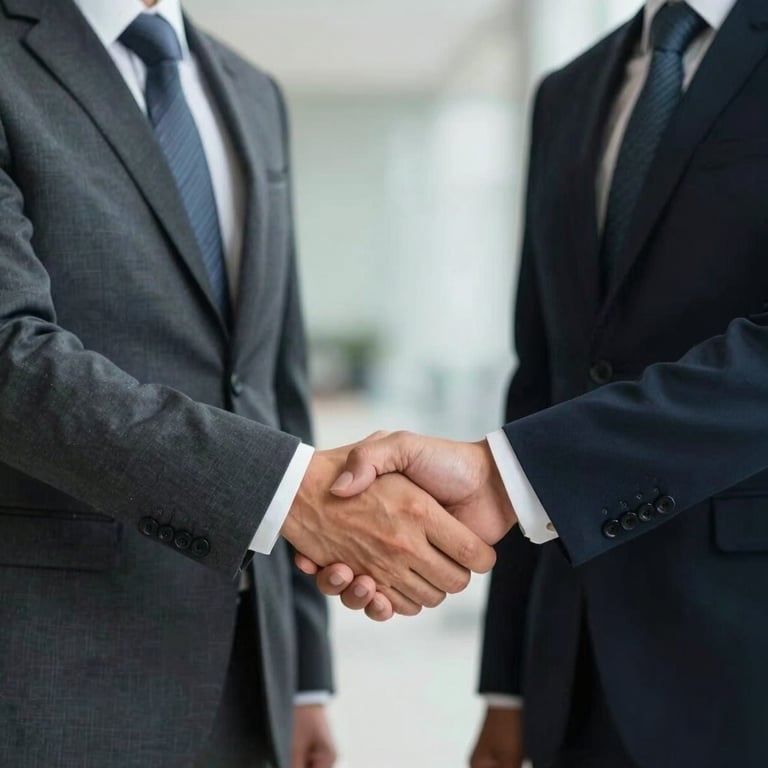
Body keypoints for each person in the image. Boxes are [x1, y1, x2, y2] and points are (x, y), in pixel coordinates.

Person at [0, 0, 496, 765]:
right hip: (55, 668)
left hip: (248, 678)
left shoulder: (251, 90)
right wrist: (289, 494)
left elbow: (270, 380)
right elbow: (12, 356)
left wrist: (304, 679)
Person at [306, 1, 768, 766]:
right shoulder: (571, 89)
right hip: (572, 662)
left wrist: (504, 475)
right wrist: (510, 687)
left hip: (743, 653)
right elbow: (545, 381)